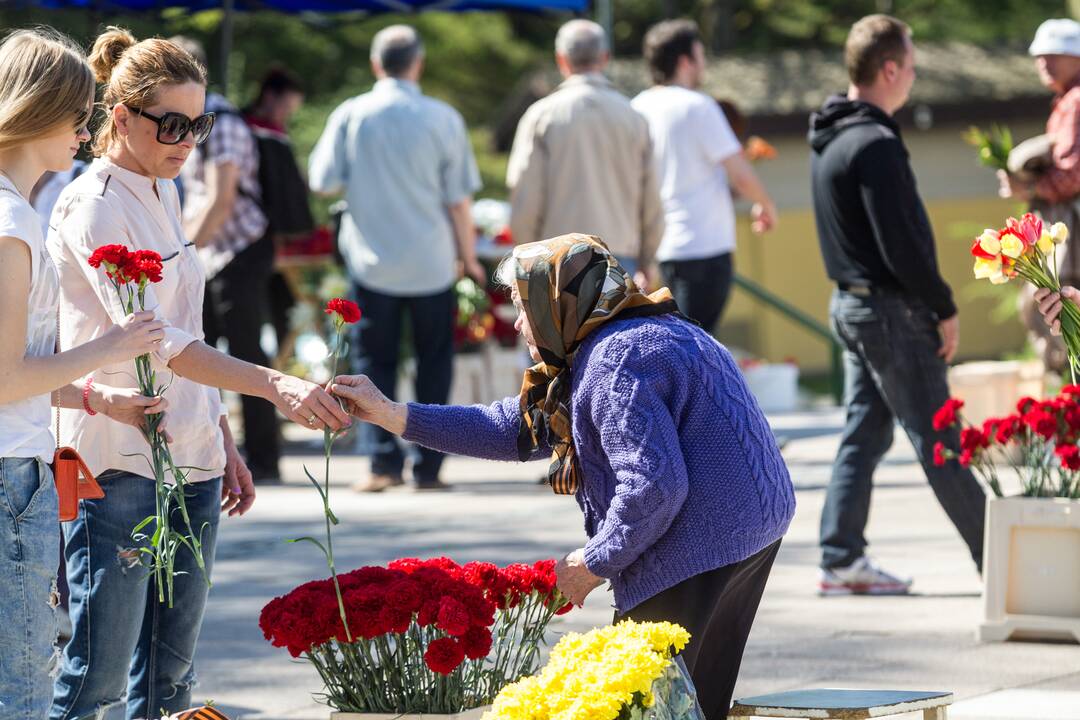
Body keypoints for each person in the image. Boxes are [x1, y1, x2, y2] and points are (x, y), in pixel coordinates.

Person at [330, 234, 795, 720]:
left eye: (521, 306)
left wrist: (592, 563)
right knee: (692, 699)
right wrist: (391, 414)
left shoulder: (615, 360)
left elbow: (654, 488)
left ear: (555, 302)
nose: (517, 321)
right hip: (751, 528)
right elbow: (511, 428)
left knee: (638, 703)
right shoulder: (638, 332)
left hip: (701, 539)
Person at [48, 28, 350, 720]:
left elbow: (190, 330)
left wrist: (221, 434)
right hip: (101, 458)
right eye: (175, 124)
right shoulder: (91, 203)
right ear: (119, 117)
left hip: (189, 454)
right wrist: (275, 383)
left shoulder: (164, 189)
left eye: (200, 124)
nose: (190, 141)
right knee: (96, 673)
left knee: (172, 680)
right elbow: (161, 341)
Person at [808, 14, 986, 595]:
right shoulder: (877, 144)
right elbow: (902, 244)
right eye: (910, 65)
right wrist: (943, 304)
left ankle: (840, 557)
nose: (913, 75)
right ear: (889, 69)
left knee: (865, 430)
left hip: (853, 308)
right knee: (941, 441)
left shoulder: (832, 136)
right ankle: (1004, 565)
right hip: (890, 313)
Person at [308, 24, 483, 493]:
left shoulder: (352, 113)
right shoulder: (443, 116)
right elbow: (459, 200)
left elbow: (322, 180)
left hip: (372, 261)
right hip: (432, 260)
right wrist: (469, 257)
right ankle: (429, 467)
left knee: (373, 364)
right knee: (434, 362)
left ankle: (382, 463)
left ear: (375, 64)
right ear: (418, 64)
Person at [174, 36, 282, 485]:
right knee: (195, 354)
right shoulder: (189, 121)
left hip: (239, 250)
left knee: (245, 355)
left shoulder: (223, 122)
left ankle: (265, 458)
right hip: (208, 251)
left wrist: (179, 253)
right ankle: (201, 453)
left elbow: (219, 201)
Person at [632, 19, 777, 333]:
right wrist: (765, 203)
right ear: (685, 61)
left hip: (659, 248)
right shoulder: (698, 106)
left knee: (680, 344)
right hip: (704, 247)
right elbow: (741, 174)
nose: (704, 63)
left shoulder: (636, 108)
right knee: (696, 349)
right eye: (701, 54)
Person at [506, 20, 664, 284]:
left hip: (558, 258)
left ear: (561, 60)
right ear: (605, 58)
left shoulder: (541, 116)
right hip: (619, 256)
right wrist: (647, 259)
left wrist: (528, 256)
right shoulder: (635, 118)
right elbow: (652, 199)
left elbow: (524, 194)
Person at [1000, 19, 1080, 374]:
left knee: (1056, 311)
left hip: (1074, 232)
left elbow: (1074, 175)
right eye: (1039, 57)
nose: (1043, 64)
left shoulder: (1077, 100)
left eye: (1054, 56)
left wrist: (1028, 188)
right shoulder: (1065, 101)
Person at [243, 66, 313, 353]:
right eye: (286, 106)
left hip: (280, 242)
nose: (287, 114)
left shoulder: (277, 134)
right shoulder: (243, 129)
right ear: (270, 96)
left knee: (286, 309)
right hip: (249, 237)